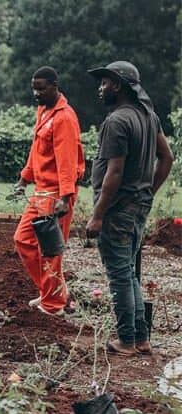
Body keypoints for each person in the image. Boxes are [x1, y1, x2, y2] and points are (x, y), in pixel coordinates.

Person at [86, 61, 174, 356]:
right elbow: (167, 157)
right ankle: (140, 338)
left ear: (118, 85)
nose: (100, 88)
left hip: (117, 210)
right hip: (137, 206)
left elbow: (114, 172)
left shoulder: (117, 121)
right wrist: (147, 192)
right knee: (128, 271)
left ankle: (126, 340)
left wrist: (98, 215)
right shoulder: (149, 117)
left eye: (105, 83)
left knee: (120, 274)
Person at [12, 66, 86, 316]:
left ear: (55, 86)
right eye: (34, 88)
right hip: (41, 191)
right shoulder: (44, 111)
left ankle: (53, 305)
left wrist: (65, 198)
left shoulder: (64, 118)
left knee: (50, 250)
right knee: (23, 240)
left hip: (56, 195)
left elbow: (67, 162)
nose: (36, 93)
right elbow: (37, 151)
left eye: (41, 88)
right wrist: (24, 179)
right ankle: (52, 292)